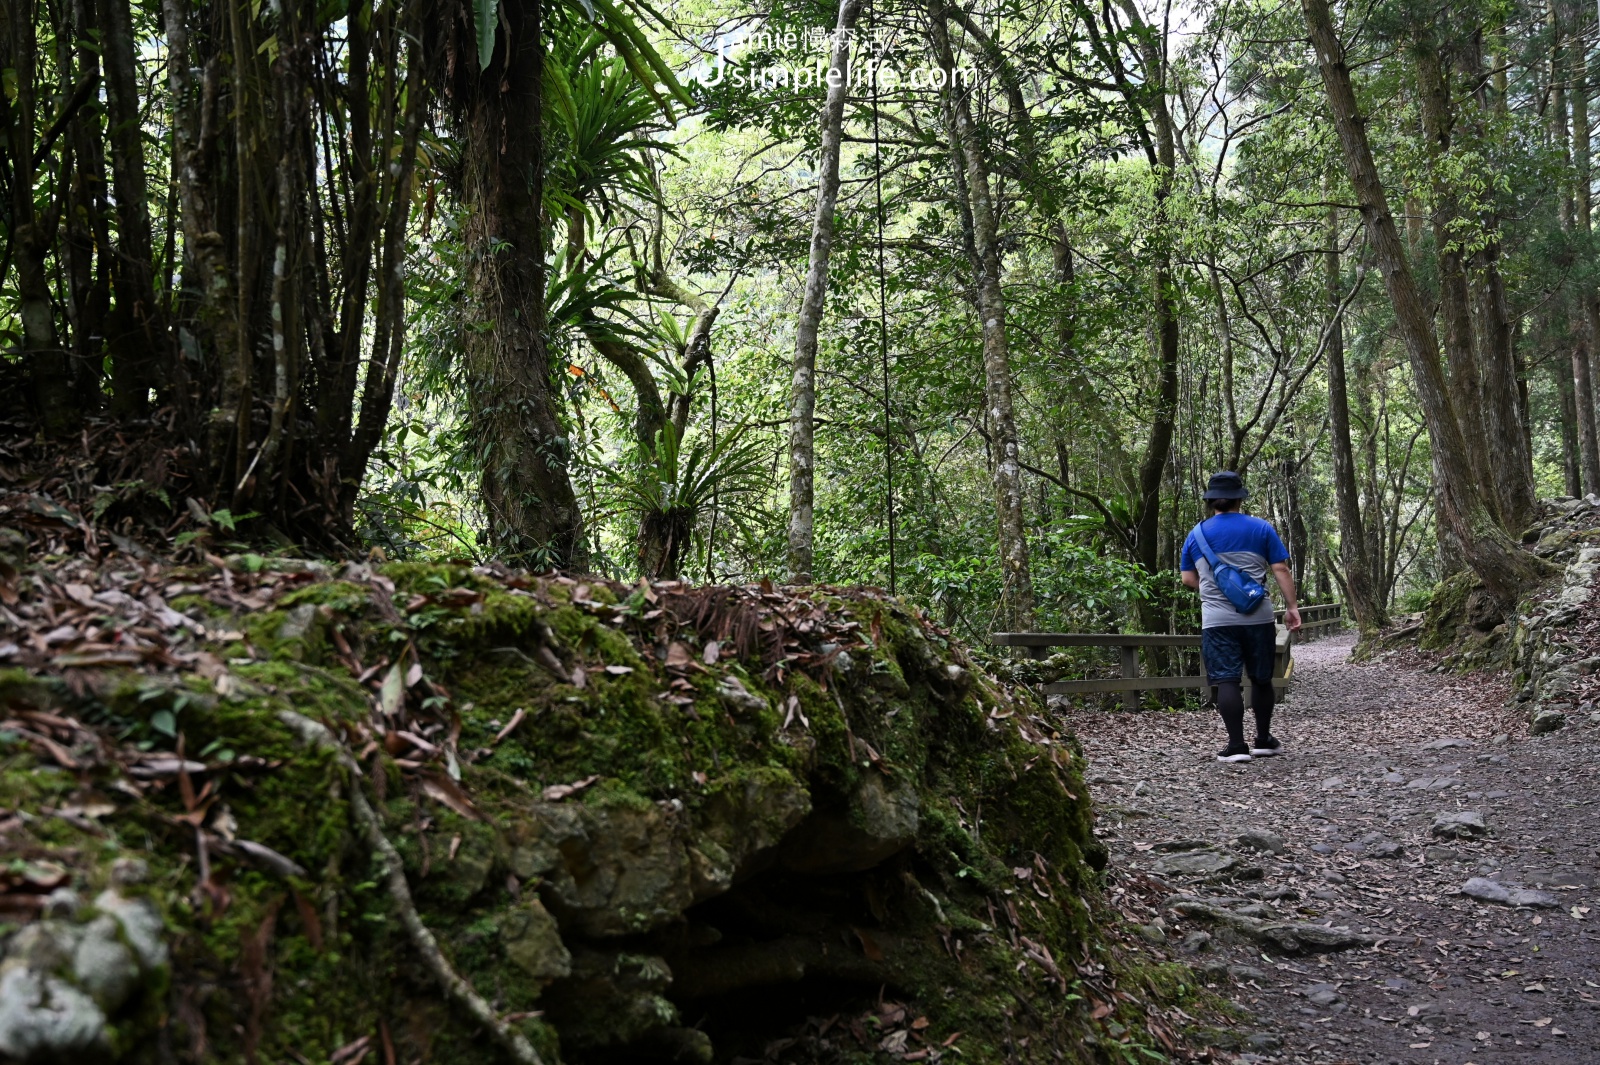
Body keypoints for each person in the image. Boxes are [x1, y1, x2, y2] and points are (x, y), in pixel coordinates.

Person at [1179, 471, 1302, 763]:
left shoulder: (1196, 535)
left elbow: (1187, 578)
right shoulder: (1261, 529)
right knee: (1261, 679)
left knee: (1227, 681)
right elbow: (1280, 569)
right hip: (1257, 616)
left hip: (1217, 620)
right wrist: (1292, 606)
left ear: (1211, 502)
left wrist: (1215, 590)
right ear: (1238, 499)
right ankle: (1263, 740)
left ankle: (1236, 745)